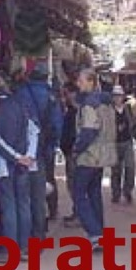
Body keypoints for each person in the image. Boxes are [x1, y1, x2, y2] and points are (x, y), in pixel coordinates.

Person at [0, 76, 38, 261]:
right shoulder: (20, 104)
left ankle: (11, 250)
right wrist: (29, 156)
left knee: (9, 205)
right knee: (23, 204)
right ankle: (25, 248)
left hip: (5, 165)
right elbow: (34, 131)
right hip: (24, 163)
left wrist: (16, 158)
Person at [15, 61, 63, 239]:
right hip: (43, 150)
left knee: (22, 194)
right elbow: (58, 124)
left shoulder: (21, 92)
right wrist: (53, 146)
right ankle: (40, 232)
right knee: (38, 192)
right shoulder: (51, 96)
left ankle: (25, 236)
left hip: (21, 151)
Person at [73, 68, 114, 248]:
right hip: (103, 155)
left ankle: (95, 233)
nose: (78, 84)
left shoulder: (90, 104)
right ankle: (100, 233)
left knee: (78, 193)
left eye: (81, 81)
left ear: (91, 82)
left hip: (90, 155)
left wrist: (77, 149)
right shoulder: (106, 103)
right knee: (94, 192)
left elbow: (89, 130)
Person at [110, 85, 135, 204]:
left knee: (130, 167)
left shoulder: (127, 108)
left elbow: (132, 122)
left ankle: (127, 191)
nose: (117, 98)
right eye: (115, 96)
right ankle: (116, 193)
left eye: (119, 96)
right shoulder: (109, 110)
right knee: (116, 170)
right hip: (114, 142)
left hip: (127, 141)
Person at [60, 83, 80, 227]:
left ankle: (79, 215)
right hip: (72, 152)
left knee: (75, 185)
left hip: (74, 153)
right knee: (74, 184)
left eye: (66, 93)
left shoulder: (75, 113)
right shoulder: (72, 111)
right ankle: (77, 212)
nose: (64, 97)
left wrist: (69, 148)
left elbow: (72, 134)